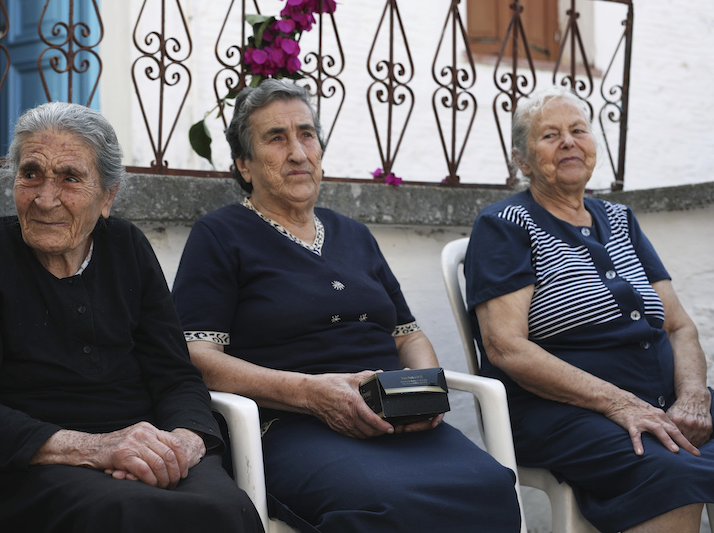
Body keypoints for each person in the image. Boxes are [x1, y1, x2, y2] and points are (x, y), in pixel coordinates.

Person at [171, 78, 521, 532]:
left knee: (490, 485)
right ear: (245, 164)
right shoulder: (221, 236)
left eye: (307, 134)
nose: (297, 152)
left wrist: (422, 392)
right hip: (292, 424)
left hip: (393, 418)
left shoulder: (353, 234)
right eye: (276, 138)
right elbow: (197, 357)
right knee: (381, 504)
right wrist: (310, 393)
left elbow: (408, 335)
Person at [0, 102, 264, 533]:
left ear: (108, 196)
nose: (45, 198)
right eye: (31, 173)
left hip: (143, 451)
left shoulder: (128, 247)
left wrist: (182, 443)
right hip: (27, 463)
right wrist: (96, 448)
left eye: (70, 178)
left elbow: (176, 375)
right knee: (132, 516)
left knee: (228, 509)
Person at [464, 85, 714, 533]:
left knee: (684, 446)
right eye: (549, 135)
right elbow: (505, 348)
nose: (568, 142)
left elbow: (678, 326)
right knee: (674, 471)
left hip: (662, 399)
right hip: (561, 411)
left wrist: (694, 395)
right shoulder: (504, 225)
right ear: (522, 160)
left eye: (578, 130)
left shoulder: (619, 219)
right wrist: (619, 403)